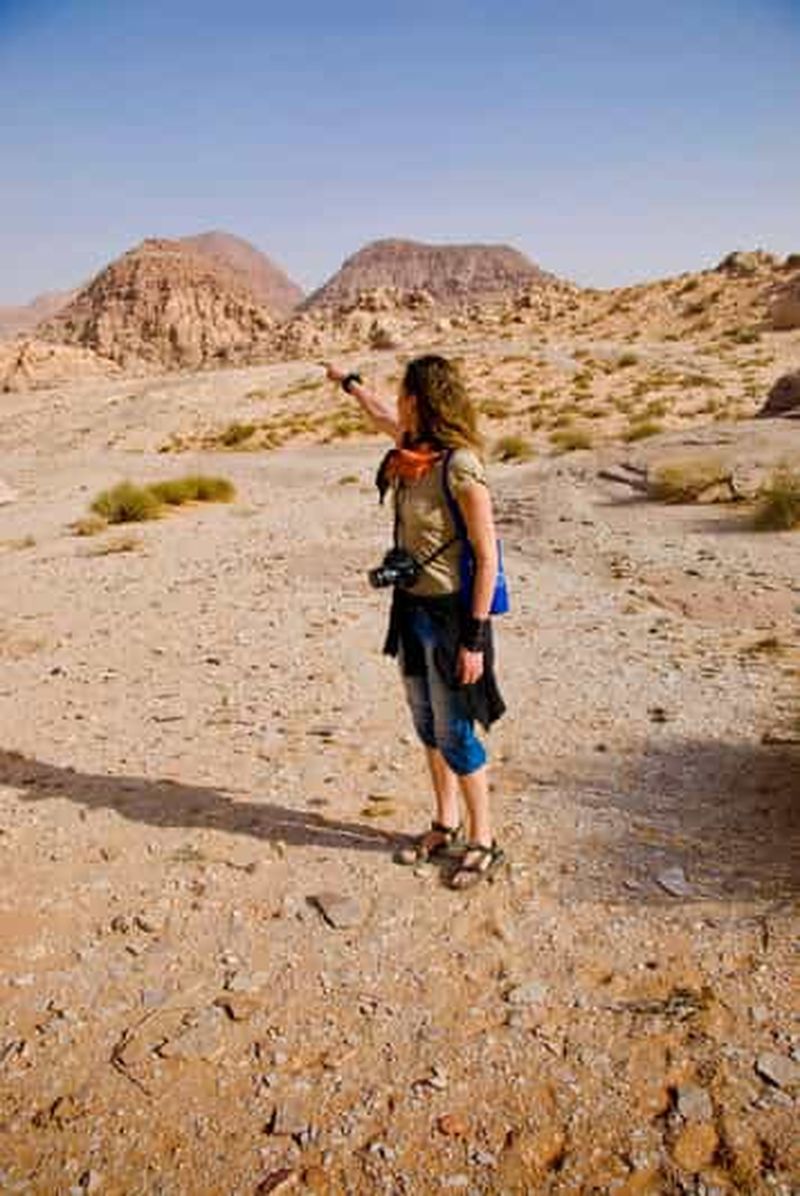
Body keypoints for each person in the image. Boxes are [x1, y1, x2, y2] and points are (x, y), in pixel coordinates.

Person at [324, 355, 506, 889]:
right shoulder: (410, 446)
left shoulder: (460, 466)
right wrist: (349, 383)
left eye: (405, 392)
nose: (399, 400)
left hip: (452, 619)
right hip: (410, 611)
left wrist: (474, 639)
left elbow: (487, 557)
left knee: (455, 731)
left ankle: (484, 839)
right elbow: (379, 413)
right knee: (427, 725)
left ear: (424, 399)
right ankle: (446, 824)